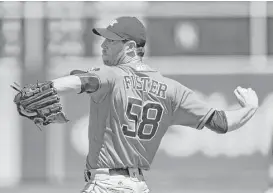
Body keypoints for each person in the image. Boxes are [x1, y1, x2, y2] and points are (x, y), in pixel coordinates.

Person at [50, 16, 259, 193]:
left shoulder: (111, 74)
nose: (103, 45)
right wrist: (249, 108)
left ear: (130, 47)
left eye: (111, 41)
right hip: (138, 186)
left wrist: (47, 88)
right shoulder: (172, 90)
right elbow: (222, 123)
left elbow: (82, 81)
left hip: (105, 184)